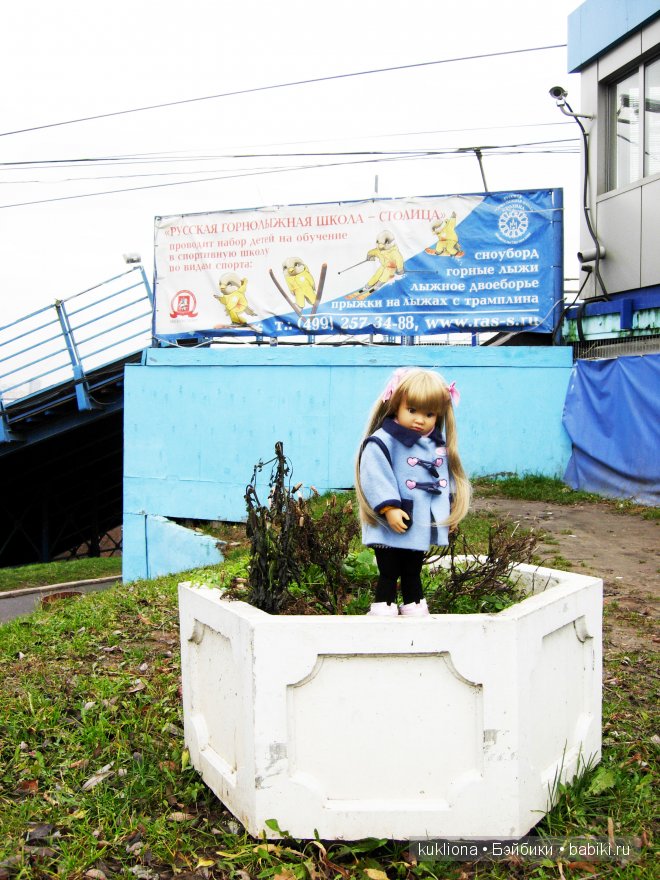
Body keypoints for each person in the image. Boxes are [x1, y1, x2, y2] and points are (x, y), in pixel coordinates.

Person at [355, 368, 471, 617]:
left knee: (412, 568)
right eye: (412, 410)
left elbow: (445, 478)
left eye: (429, 414)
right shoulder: (383, 441)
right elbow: (375, 474)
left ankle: (415, 604)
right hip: (391, 520)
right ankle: (384, 604)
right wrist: (389, 507)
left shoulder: (437, 445)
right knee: (389, 568)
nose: (420, 420)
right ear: (396, 405)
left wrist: (449, 510)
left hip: (419, 520)